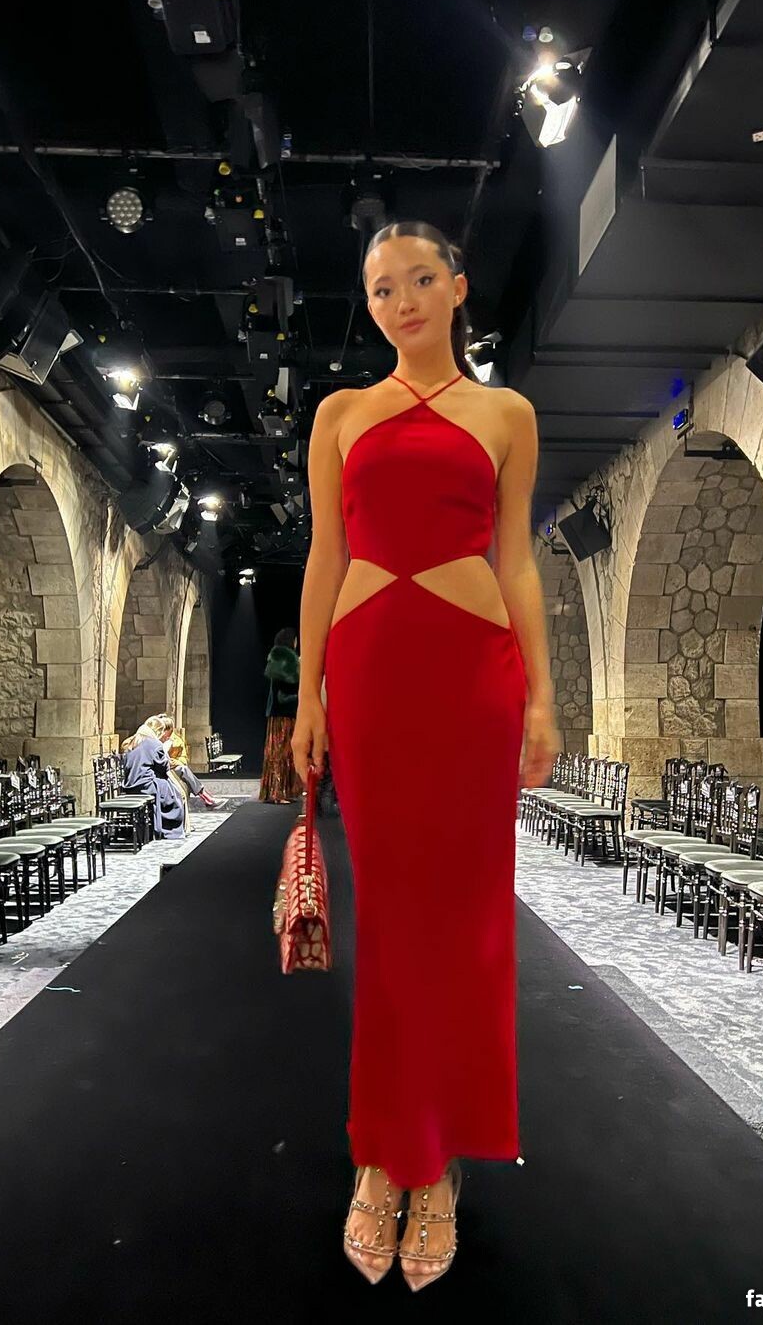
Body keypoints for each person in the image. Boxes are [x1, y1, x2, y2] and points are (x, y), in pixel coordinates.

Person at [291, 220, 558, 1290]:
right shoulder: (340, 414)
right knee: (395, 922)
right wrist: (306, 693)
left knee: (468, 921)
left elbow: (517, 560)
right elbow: (325, 555)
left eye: (418, 280)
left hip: (472, 676)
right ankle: (382, 1156)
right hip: (371, 674)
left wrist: (544, 700)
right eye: (379, 289)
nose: (399, 301)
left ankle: (438, 1161)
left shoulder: (506, 414)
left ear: (456, 288)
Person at [119, 716, 187, 841]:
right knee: (174, 792)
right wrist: (165, 753)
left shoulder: (131, 742)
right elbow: (163, 767)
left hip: (129, 785)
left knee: (169, 787)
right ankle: (169, 830)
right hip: (147, 785)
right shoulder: (154, 743)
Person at [258, 627, 304, 803]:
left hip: (277, 714)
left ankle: (278, 791)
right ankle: (279, 793)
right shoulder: (287, 659)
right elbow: (287, 691)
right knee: (282, 752)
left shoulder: (277, 659)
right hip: (284, 714)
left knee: (278, 752)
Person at [157, 715, 219, 809]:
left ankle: (205, 795)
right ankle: (205, 796)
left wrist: (176, 762)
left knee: (183, 769)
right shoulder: (155, 741)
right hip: (162, 769)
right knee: (183, 770)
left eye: (168, 729)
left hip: (172, 767)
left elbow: (183, 758)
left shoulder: (176, 741)